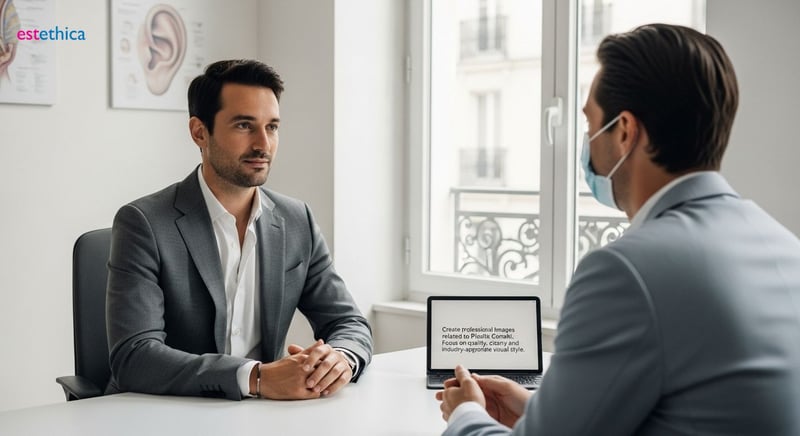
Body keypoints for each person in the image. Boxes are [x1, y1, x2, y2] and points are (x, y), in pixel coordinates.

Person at [437, 23, 800, 435]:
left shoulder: (626, 271)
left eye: (590, 123)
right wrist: (538, 410)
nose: (588, 140)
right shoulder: (785, 247)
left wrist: (468, 414)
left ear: (625, 131)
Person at [106, 59, 373, 401]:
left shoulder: (296, 219)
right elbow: (135, 356)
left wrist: (339, 360)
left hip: (260, 415)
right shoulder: (143, 223)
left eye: (272, 127)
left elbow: (348, 322)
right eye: (245, 125)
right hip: (164, 413)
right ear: (199, 132)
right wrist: (256, 377)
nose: (263, 144)